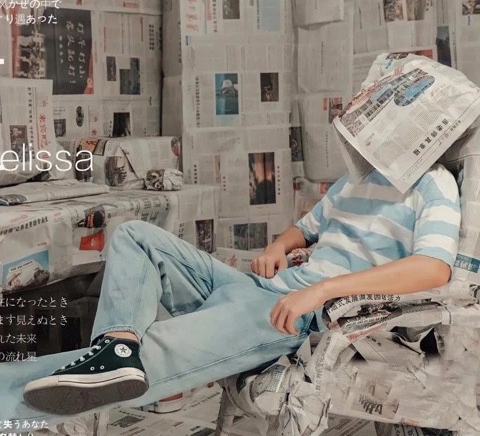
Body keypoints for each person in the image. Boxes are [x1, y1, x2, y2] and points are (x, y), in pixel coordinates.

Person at [16, 163, 459, 419]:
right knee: (136, 236)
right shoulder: (355, 179)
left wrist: (322, 290)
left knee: (158, 352)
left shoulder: (433, 183)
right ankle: (117, 346)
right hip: (258, 287)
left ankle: (10, 397)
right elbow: (303, 230)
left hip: (294, 316)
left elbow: (434, 267)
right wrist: (277, 248)